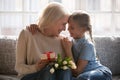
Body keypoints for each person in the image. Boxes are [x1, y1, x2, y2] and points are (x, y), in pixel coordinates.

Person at [15, 2, 72, 80]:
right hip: (30, 76)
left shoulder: (63, 41)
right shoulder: (27, 34)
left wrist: (68, 52)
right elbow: (18, 67)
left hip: (52, 76)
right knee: (48, 71)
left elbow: (72, 70)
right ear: (52, 20)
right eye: (63, 24)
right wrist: (36, 67)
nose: (65, 29)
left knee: (66, 70)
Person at [61, 11, 112, 80]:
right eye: (68, 26)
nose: (68, 29)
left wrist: (68, 50)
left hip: (101, 73)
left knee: (82, 77)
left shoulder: (87, 45)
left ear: (83, 29)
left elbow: (77, 72)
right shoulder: (71, 42)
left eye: (72, 27)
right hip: (84, 75)